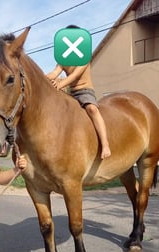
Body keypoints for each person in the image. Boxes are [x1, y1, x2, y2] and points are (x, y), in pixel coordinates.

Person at [46, 25, 111, 159]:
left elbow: (75, 76)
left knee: (92, 109)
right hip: (71, 93)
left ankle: (105, 144)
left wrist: (60, 84)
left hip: (85, 91)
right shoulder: (62, 60)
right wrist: (41, 78)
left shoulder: (84, 58)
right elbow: (54, 73)